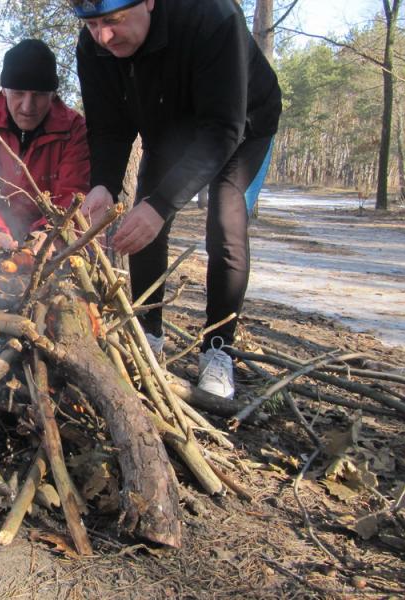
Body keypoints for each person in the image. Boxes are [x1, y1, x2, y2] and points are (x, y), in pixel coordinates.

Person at [72, 0, 282, 399]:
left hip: (241, 127)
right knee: (142, 223)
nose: (103, 36)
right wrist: (103, 185)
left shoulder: (214, 17)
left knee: (225, 218)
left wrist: (163, 204)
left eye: (113, 21)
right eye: (92, 24)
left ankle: (219, 349)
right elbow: (109, 128)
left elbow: (223, 129)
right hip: (168, 129)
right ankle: (148, 335)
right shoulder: (93, 45)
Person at [0, 39, 90, 258]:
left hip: (50, 231)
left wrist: (47, 234)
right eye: (18, 93)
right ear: (4, 90)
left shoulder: (74, 129)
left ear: (52, 94)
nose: (27, 107)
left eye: (39, 95)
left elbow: (74, 195)